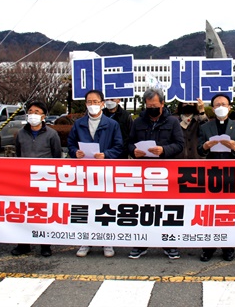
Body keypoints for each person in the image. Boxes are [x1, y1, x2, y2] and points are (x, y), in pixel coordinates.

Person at [127, 88, 184, 259]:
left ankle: (169, 243)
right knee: (143, 208)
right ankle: (141, 243)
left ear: (162, 104)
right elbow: (128, 143)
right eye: (148, 105)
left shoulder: (173, 122)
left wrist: (164, 150)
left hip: (165, 172)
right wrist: (133, 151)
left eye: (154, 105)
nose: (151, 108)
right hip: (143, 171)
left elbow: (180, 144)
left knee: (166, 208)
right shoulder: (138, 122)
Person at [68, 89, 124, 258]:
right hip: (85, 171)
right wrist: (75, 152)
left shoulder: (112, 124)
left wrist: (106, 155)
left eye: (95, 102)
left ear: (102, 103)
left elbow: (119, 146)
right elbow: (70, 144)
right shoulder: (79, 124)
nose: (92, 105)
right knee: (86, 205)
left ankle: (107, 241)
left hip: (104, 171)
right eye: (89, 102)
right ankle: (86, 240)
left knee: (105, 205)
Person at [198, 93, 235, 262]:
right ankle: (208, 248)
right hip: (211, 174)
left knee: (228, 212)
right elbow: (199, 150)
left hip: (231, 175)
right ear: (212, 108)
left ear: (229, 107)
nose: (220, 107)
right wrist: (205, 146)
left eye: (223, 104)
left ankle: (228, 247)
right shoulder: (205, 127)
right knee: (210, 212)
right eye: (217, 104)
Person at [11, 101, 62, 257]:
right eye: (30, 111)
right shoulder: (21, 133)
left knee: (43, 212)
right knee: (24, 211)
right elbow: (18, 154)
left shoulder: (52, 134)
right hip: (25, 179)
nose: (33, 115)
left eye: (37, 112)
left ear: (43, 116)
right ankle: (23, 244)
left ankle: (45, 245)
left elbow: (57, 155)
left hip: (43, 179)